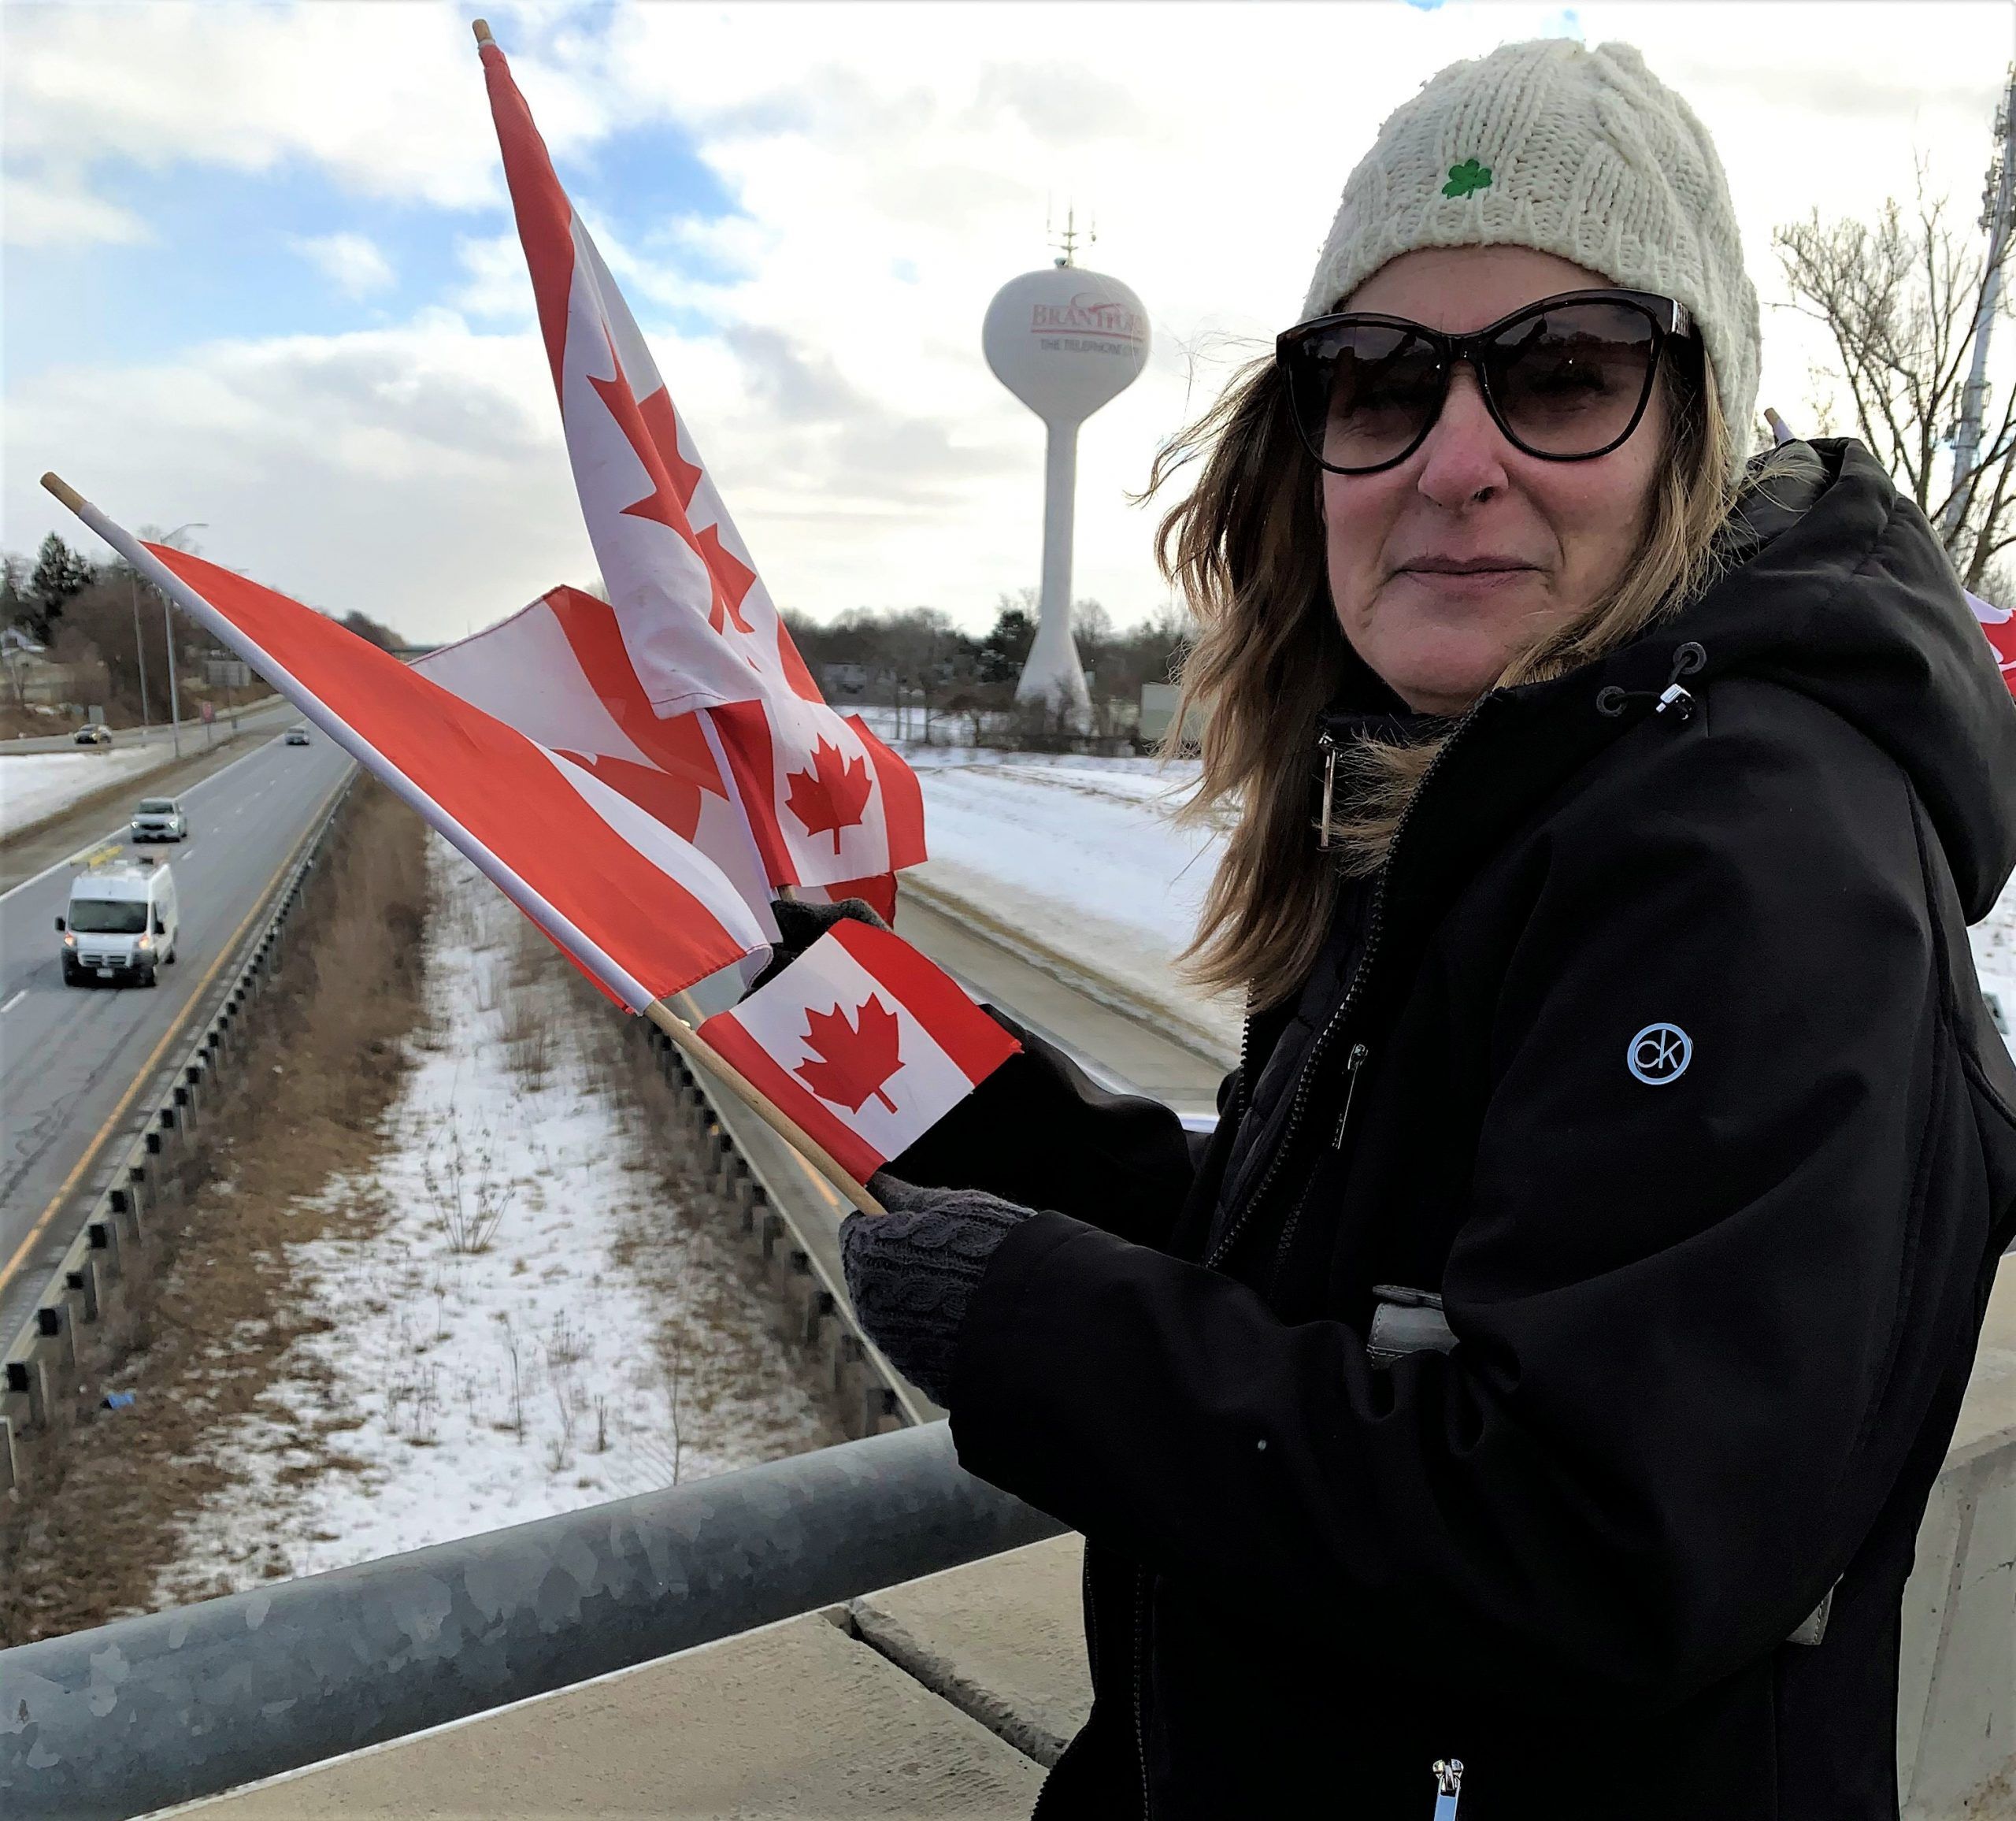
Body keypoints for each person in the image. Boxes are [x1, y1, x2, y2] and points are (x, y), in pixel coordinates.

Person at [802, 38, 2016, 1819]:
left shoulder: (1748, 859)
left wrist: (1038, 1331)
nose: (1453, 456)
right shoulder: (1486, 781)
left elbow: (1599, 1540)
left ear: (1695, 415)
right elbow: (1361, 1277)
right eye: (1376, 384)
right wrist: (968, 1117)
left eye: (1562, 369)